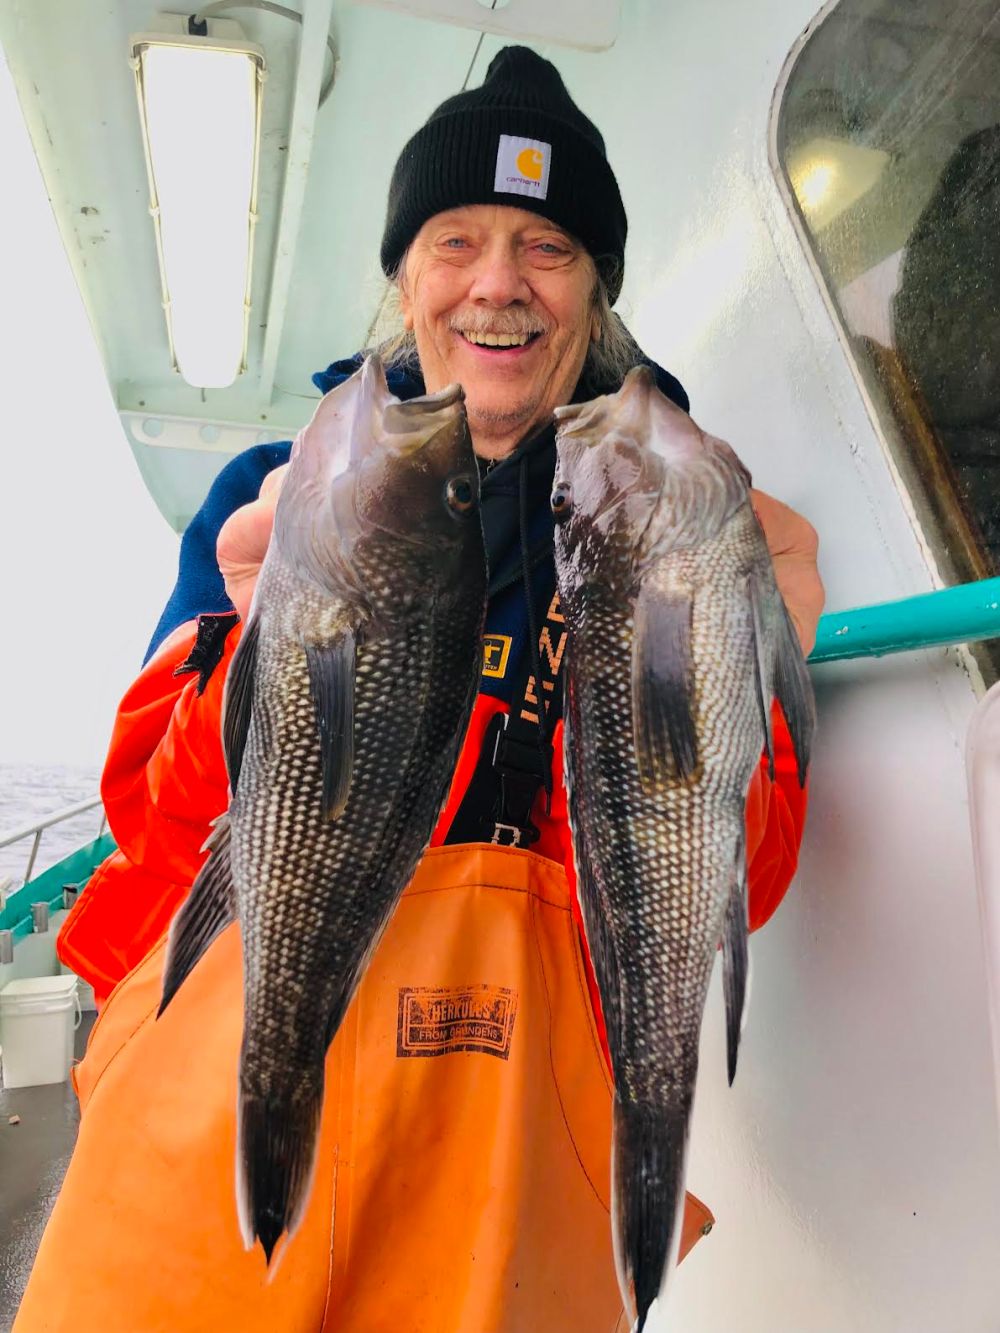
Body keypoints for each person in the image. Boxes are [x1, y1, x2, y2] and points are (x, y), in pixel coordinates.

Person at [16, 46, 824, 1333]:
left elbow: (729, 877)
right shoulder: (278, 503)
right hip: (218, 1104)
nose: (497, 285)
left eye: (547, 247)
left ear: (596, 290)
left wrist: (748, 667)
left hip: (501, 1144)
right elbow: (160, 839)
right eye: (455, 239)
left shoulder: (666, 517)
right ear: (404, 274)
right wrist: (246, 645)